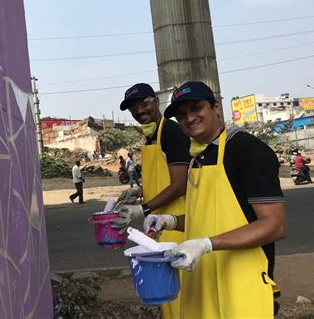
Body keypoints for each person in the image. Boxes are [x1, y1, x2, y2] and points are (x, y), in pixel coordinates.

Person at [144, 81, 286, 318]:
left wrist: (206, 244)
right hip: (202, 280)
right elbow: (208, 217)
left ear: (216, 108)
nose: (189, 118)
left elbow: (274, 225)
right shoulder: (197, 156)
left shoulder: (247, 150)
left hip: (242, 284)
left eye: (196, 108)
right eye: (181, 115)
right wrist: (169, 221)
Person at [112, 83, 191, 318]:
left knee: (183, 292)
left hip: (175, 224)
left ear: (156, 101)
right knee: (166, 295)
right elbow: (162, 178)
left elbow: (179, 184)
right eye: (133, 107)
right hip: (157, 226)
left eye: (144, 102)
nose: (139, 110)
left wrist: (142, 208)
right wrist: (139, 192)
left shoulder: (171, 133)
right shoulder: (149, 138)